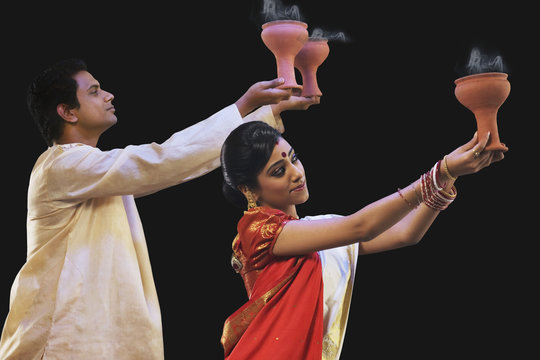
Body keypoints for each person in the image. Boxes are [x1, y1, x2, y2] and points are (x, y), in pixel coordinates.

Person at [0, 58, 320, 360]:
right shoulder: (64, 166)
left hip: (88, 337)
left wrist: (268, 112)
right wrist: (245, 107)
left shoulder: (92, 172)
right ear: (67, 112)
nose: (109, 95)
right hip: (62, 340)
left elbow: (169, 165)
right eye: (95, 91)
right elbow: (164, 161)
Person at [218, 121, 505, 359]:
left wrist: (448, 178)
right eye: (279, 172)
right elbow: (360, 226)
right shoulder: (257, 231)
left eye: (293, 158)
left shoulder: (314, 231)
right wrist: (438, 172)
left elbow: (405, 234)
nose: (296, 173)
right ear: (248, 190)